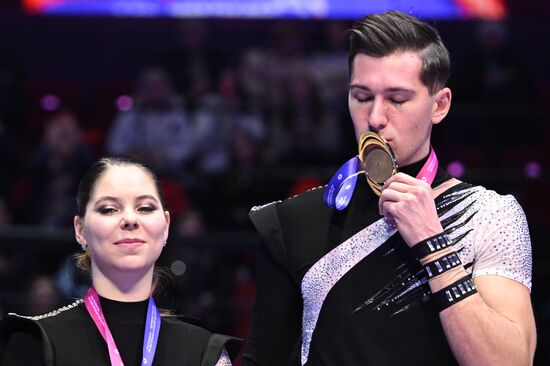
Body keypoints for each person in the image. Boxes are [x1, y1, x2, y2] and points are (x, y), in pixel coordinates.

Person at [243, 11, 536, 366]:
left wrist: (434, 245)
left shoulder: (489, 214)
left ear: (439, 105)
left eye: (397, 99)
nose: (376, 117)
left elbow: (509, 362)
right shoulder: (288, 221)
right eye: (362, 96)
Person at [0, 156, 240, 365]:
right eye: (108, 209)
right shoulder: (36, 342)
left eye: (145, 208)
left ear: (166, 226)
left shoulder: (204, 353)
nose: (130, 219)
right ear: (80, 229)